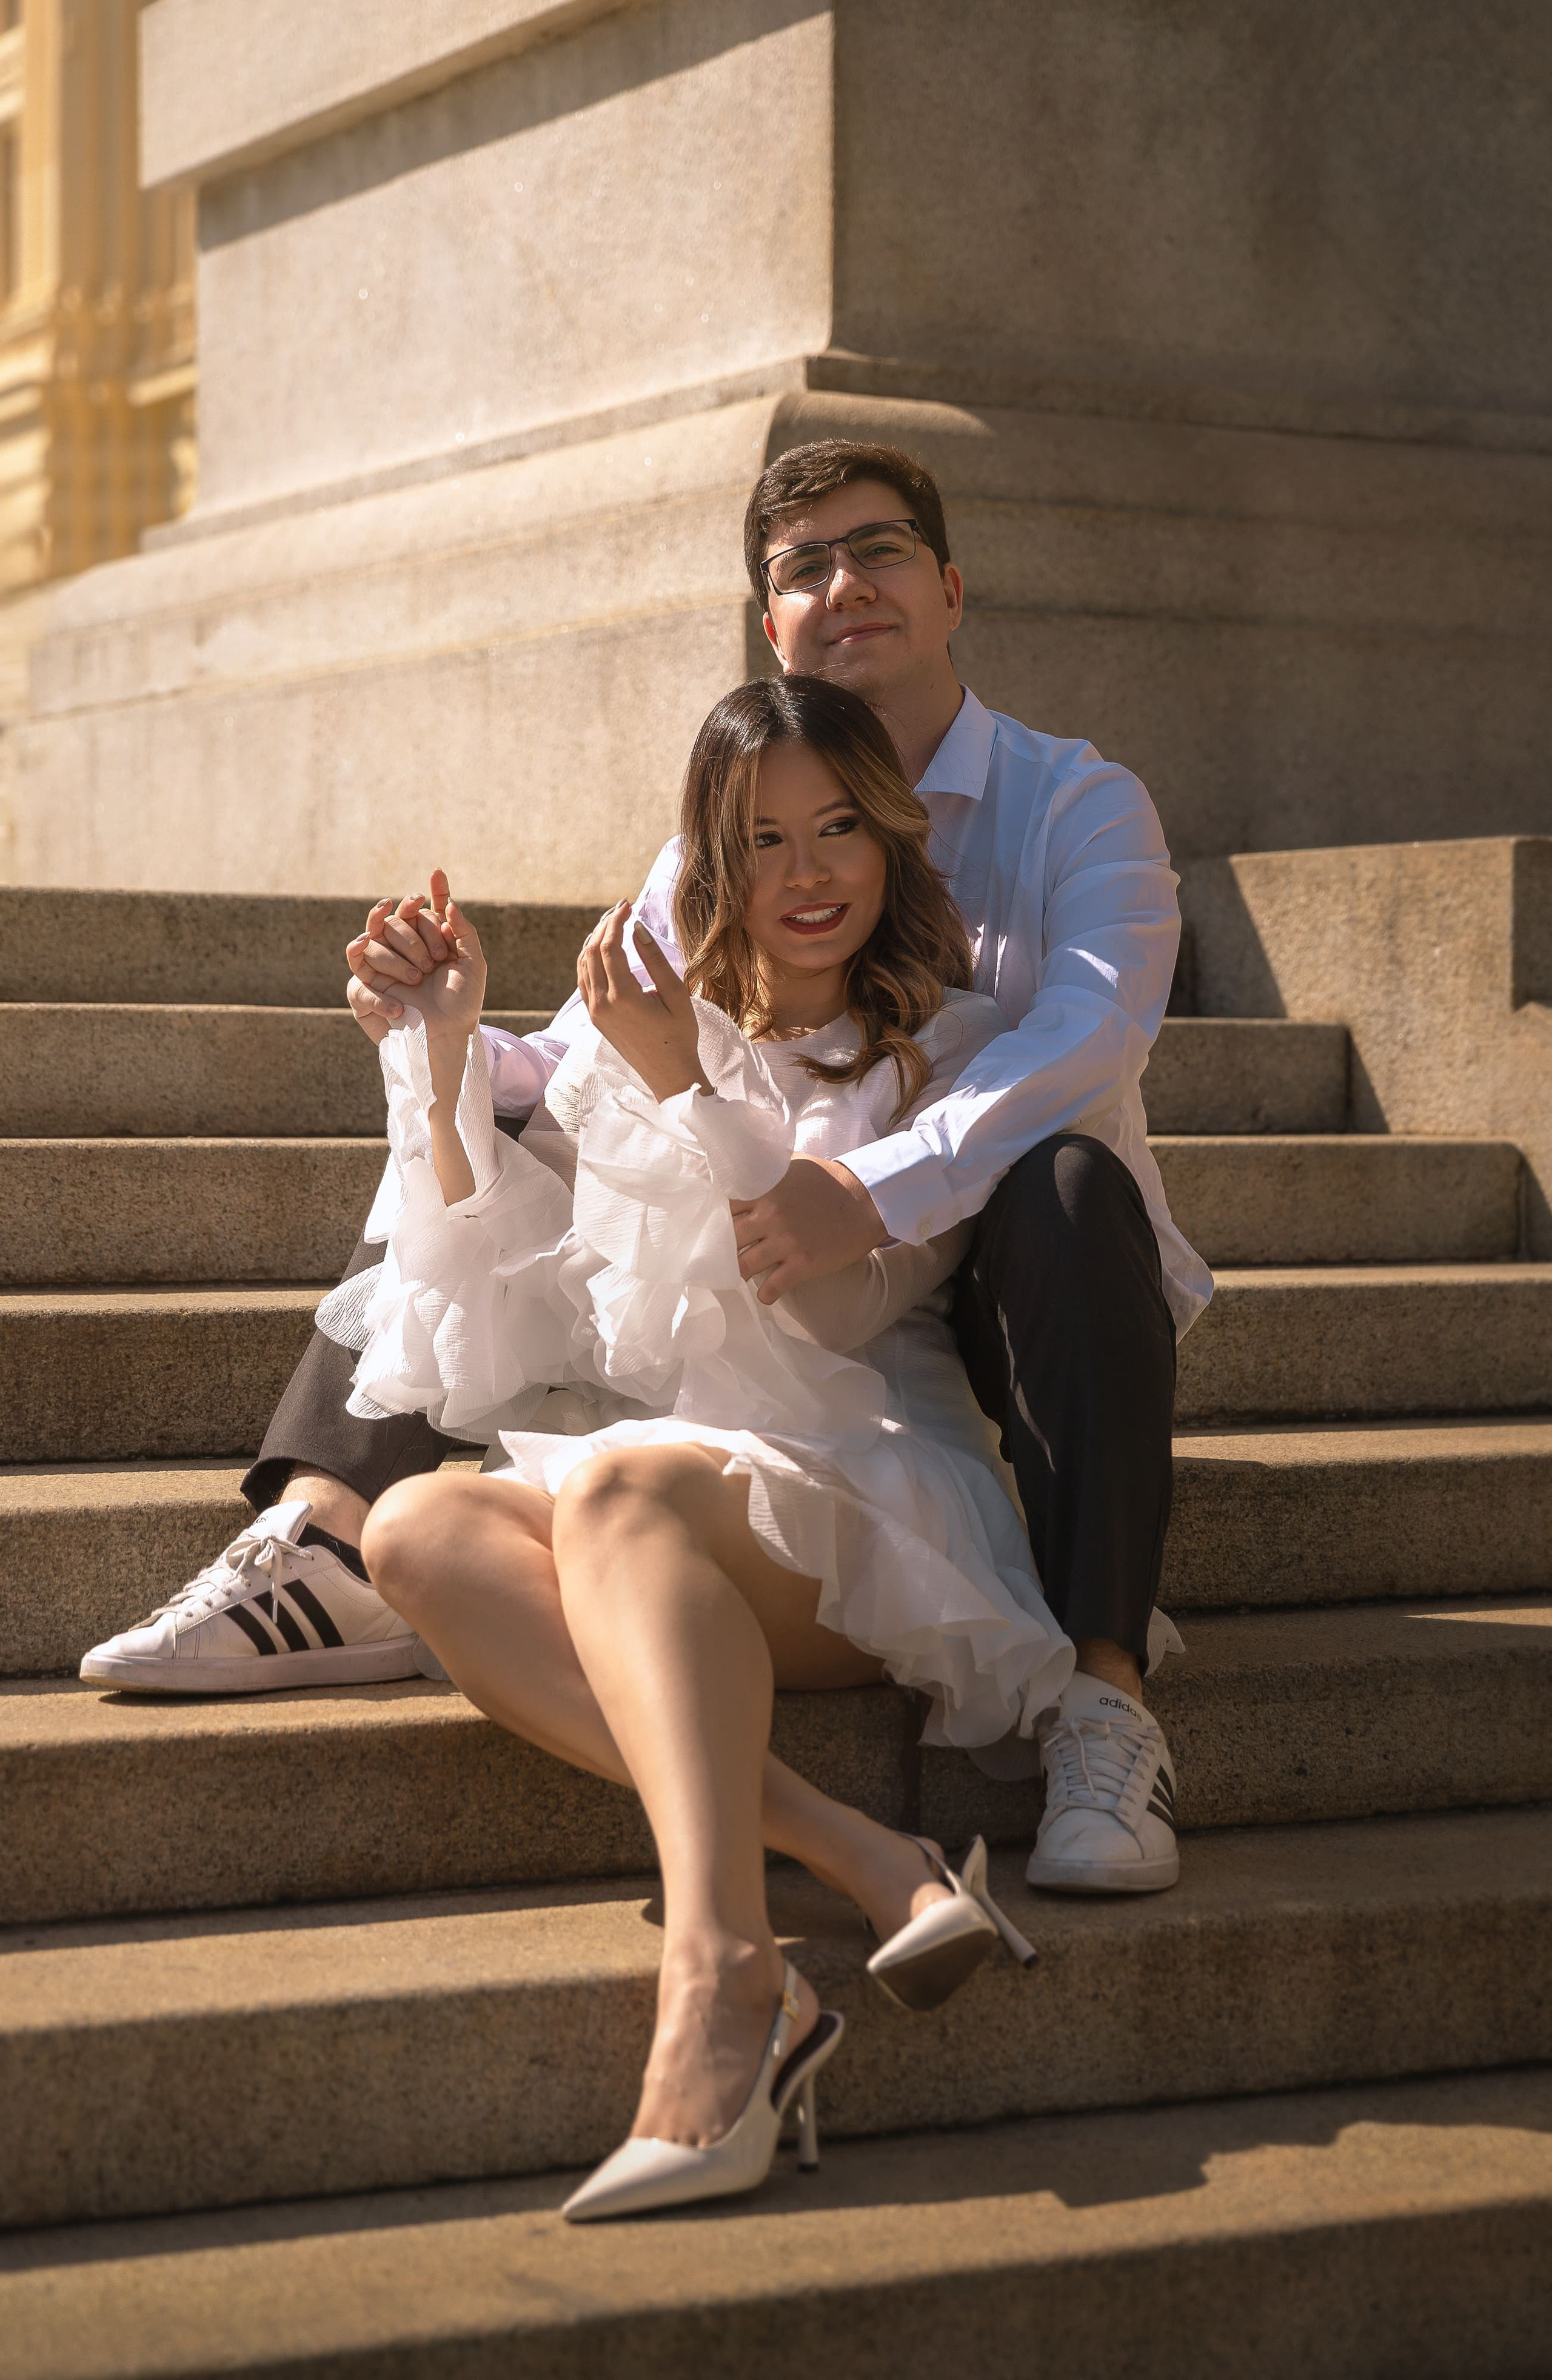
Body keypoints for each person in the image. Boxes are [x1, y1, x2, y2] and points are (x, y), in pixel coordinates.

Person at [81, 437, 1210, 1899]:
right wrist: (440, 1036)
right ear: (769, 621)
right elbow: (580, 1065)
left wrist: (863, 1184)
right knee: (478, 1113)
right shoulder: (722, 827)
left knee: (1061, 1184)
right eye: (802, 567)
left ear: (945, 587)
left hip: (1011, 1292)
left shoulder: (1078, 805)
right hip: (781, 1266)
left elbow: (1089, 1032)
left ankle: (1105, 1698)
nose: (841, 584)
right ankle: (324, 1528)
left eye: (873, 550)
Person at [341, 673, 1064, 2217]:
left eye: (838, 831)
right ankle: (866, 1856)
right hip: (663, 1498)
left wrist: (688, 1083)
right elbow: (491, 1323)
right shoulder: (634, 1029)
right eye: (760, 842)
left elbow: (844, 1307)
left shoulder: (956, 1048)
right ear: (709, 866)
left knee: (614, 1480)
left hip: (871, 1498)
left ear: (891, 839)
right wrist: (449, 1049)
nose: (807, 875)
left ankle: (725, 1964)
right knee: (411, 1528)